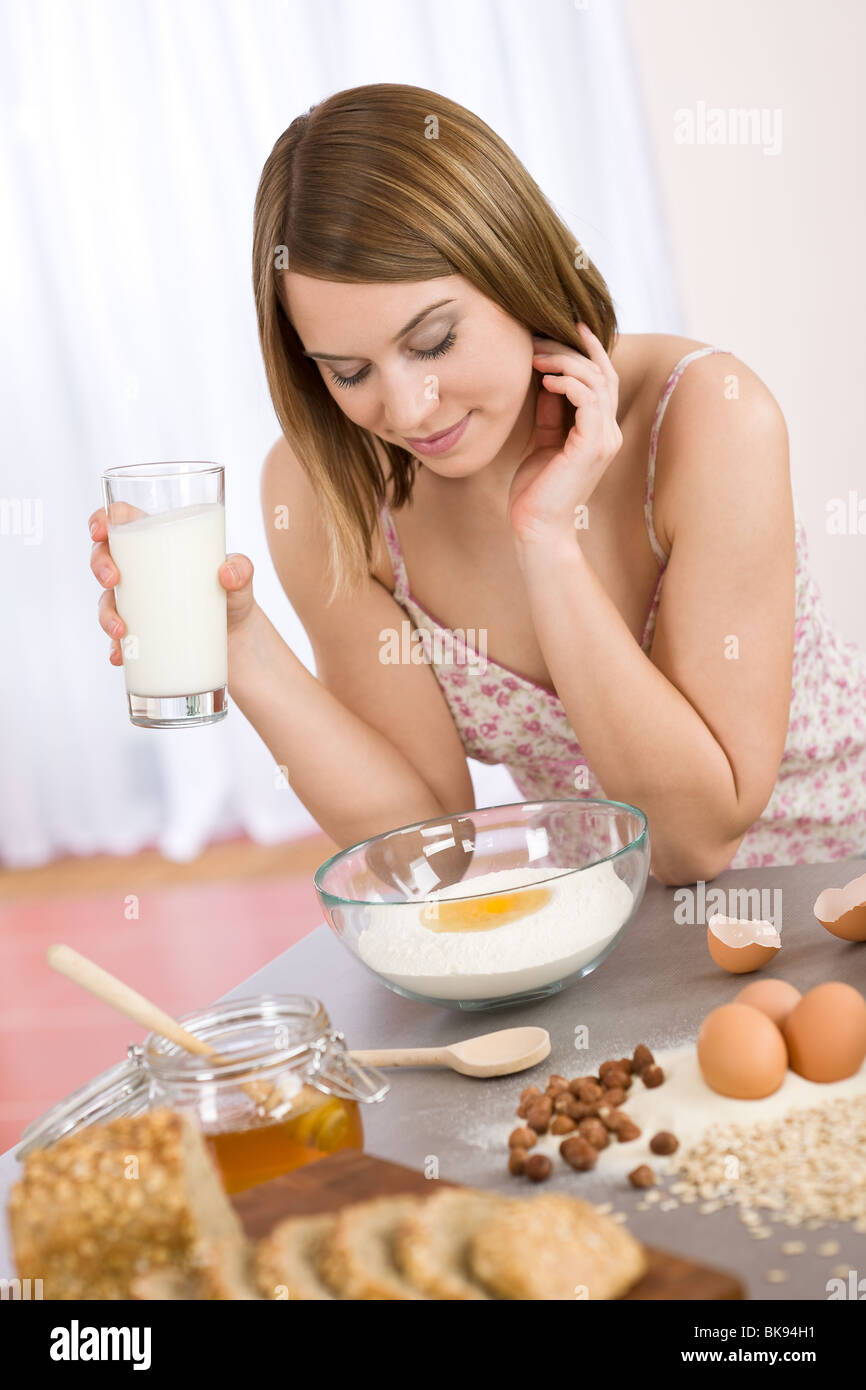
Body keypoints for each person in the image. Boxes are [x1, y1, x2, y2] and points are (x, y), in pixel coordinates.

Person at [88, 83, 866, 883]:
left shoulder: (709, 416)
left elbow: (697, 840)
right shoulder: (326, 489)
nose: (407, 409)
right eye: (349, 372)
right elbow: (428, 850)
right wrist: (242, 648)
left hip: (840, 890)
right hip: (626, 932)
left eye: (433, 341)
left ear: (513, 264)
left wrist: (547, 541)